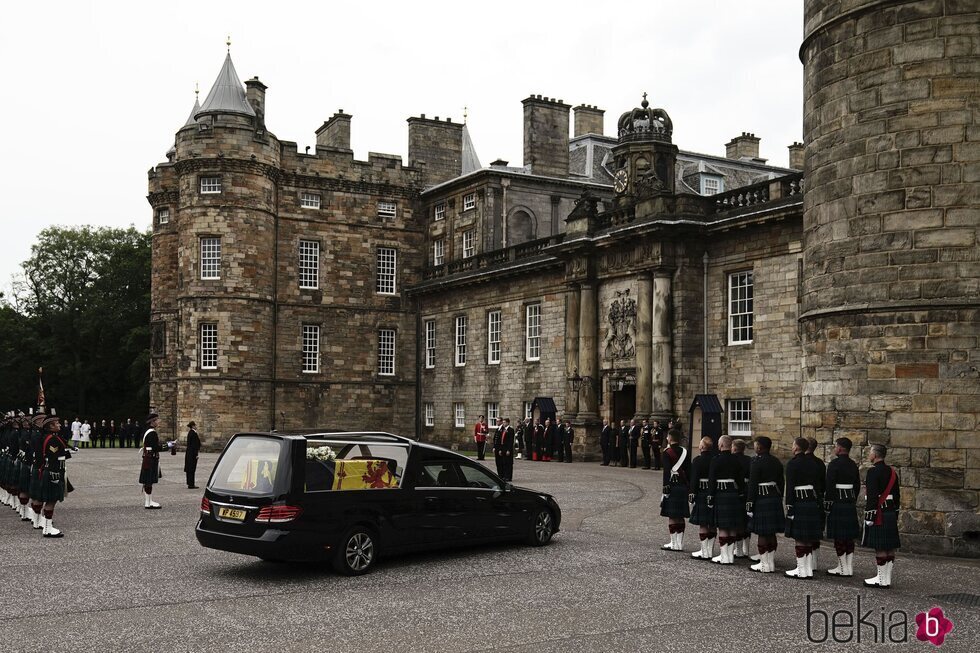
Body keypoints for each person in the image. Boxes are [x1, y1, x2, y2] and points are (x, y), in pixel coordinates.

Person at [784, 437, 825, 579]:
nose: (791, 447)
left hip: (799, 502)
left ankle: (801, 570)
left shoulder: (792, 464)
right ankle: (807, 569)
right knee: (808, 537)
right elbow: (818, 486)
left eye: (792, 445)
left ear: (796, 448)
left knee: (800, 537)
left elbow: (789, 488)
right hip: (812, 502)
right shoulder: (814, 463)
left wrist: (789, 507)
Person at [862, 444, 901, 588]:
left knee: (880, 547)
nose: (869, 455)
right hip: (890, 511)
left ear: (875, 455)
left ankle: (881, 578)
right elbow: (897, 495)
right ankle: (886, 578)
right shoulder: (892, 472)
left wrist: (869, 515)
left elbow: (872, 496)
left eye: (870, 452)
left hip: (879, 512)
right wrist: (895, 512)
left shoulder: (873, 472)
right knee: (889, 546)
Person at [747, 436, 785, 573]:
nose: (755, 447)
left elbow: (752, 484)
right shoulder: (776, 461)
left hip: (762, 498)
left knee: (763, 532)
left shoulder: (756, 462)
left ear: (760, 447)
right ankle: (770, 562)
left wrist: (749, 503)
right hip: (774, 497)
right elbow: (781, 482)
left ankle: (764, 564)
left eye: (756, 445)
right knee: (771, 532)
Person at [824, 437, 860, 577]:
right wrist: (852, 498)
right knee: (849, 537)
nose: (835, 449)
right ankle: (847, 567)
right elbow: (856, 486)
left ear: (840, 448)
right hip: (849, 502)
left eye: (835, 446)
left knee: (839, 537)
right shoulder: (853, 464)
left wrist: (828, 504)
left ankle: (843, 567)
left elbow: (830, 486)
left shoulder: (834, 464)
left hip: (838, 502)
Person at [708, 435, 745, 565]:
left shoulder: (716, 460)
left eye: (719, 444)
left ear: (722, 445)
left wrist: (710, 496)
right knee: (732, 526)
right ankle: (730, 555)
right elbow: (740, 480)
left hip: (721, 493)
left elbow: (712, 480)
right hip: (733, 494)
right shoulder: (736, 460)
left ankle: (724, 556)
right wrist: (740, 493)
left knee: (723, 526)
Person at [37, 413, 69, 538]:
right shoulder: (52, 439)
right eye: (57, 423)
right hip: (53, 472)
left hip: (51, 471)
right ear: (51, 426)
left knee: (52, 500)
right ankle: (47, 528)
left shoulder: (52, 437)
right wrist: (55, 475)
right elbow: (54, 458)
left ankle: (47, 526)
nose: (59, 424)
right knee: (51, 500)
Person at [660, 429, 690, 551]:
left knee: (672, 516)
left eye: (667, 437)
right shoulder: (685, 452)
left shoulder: (667, 452)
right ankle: (679, 543)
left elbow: (667, 471)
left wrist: (665, 486)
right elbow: (689, 470)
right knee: (680, 515)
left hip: (672, 485)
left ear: (670, 438)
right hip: (683, 486)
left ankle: (673, 543)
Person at [689, 436, 716, 560]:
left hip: (701, 491)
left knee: (703, 523)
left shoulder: (697, 460)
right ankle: (709, 551)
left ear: (702, 447)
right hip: (714, 492)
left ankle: (704, 551)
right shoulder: (715, 459)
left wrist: (692, 494)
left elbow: (694, 480)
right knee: (712, 522)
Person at [805, 436, 827, 573]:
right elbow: (824, 484)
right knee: (815, 531)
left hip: (804, 500)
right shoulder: (820, 463)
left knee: (804, 533)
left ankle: (805, 564)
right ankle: (814, 563)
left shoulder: (800, 462)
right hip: (817, 498)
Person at [139, 412, 170, 509]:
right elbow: (155, 447)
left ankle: (148, 501)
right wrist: (168, 446)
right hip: (150, 459)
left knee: (148, 481)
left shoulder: (147, 431)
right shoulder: (152, 432)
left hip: (148, 458)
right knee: (148, 480)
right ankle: (148, 502)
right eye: (157, 420)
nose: (158, 421)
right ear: (152, 422)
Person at [732, 438, 754, 559]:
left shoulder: (732, 459)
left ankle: (738, 549)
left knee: (738, 521)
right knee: (746, 520)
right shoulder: (750, 460)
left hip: (736, 491)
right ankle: (746, 549)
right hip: (748, 491)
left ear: (734, 448)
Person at [184, 421, 201, 489]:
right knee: (191, 468)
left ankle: (189, 483)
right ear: (193, 426)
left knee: (189, 468)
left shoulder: (191, 432)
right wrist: (196, 454)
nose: (196, 426)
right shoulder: (193, 433)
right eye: (195, 425)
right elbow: (194, 445)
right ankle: (191, 484)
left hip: (189, 453)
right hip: (192, 453)